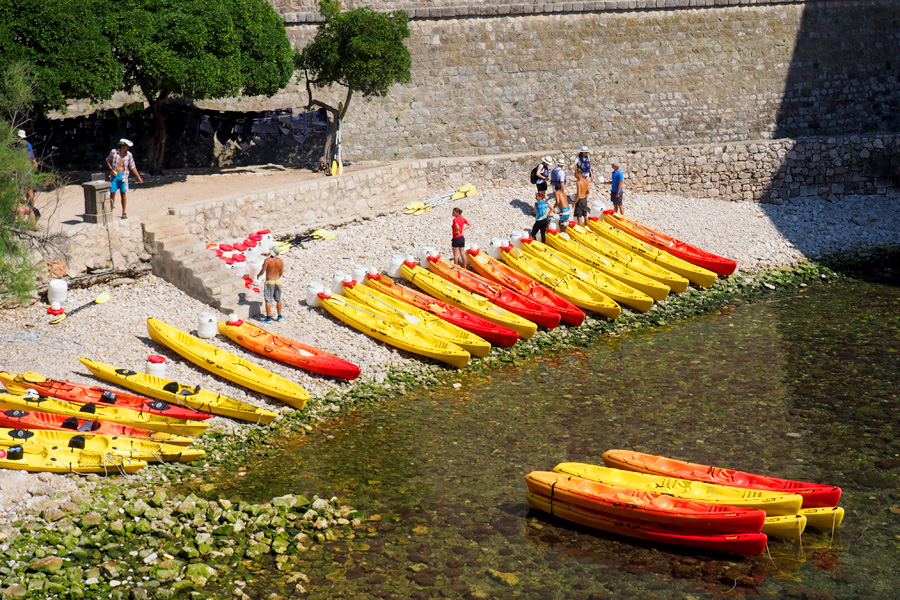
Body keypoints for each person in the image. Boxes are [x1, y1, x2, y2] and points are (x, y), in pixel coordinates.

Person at [106, 138, 144, 219]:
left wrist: (138, 177)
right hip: (114, 176)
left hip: (124, 176)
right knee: (112, 193)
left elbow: (132, 166)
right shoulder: (114, 152)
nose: (128, 148)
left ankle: (124, 212)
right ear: (122, 146)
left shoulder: (129, 155)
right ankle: (110, 211)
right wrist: (111, 169)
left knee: (123, 194)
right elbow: (108, 160)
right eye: (127, 146)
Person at [13, 130, 38, 222]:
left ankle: (23, 212)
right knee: (30, 192)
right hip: (27, 173)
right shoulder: (29, 149)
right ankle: (31, 208)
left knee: (20, 194)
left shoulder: (15, 149)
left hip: (19, 174)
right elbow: (35, 165)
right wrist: (33, 172)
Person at [258, 246, 284, 322]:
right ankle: (279, 316)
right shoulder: (280, 261)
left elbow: (263, 271)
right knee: (278, 299)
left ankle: (268, 318)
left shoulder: (267, 260)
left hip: (270, 281)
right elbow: (281, 272)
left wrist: (258, 275)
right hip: (278, 280)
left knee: (268, 300)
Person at [550, 159, 570, 233]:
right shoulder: (562, 194)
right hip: (568, 209)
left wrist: (553, 208)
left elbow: (558, 201)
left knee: (563, 226)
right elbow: (562, 182)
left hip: (564, 211)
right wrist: (563, 191)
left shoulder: (553, 170)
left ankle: (566, 237)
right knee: (563, 224)